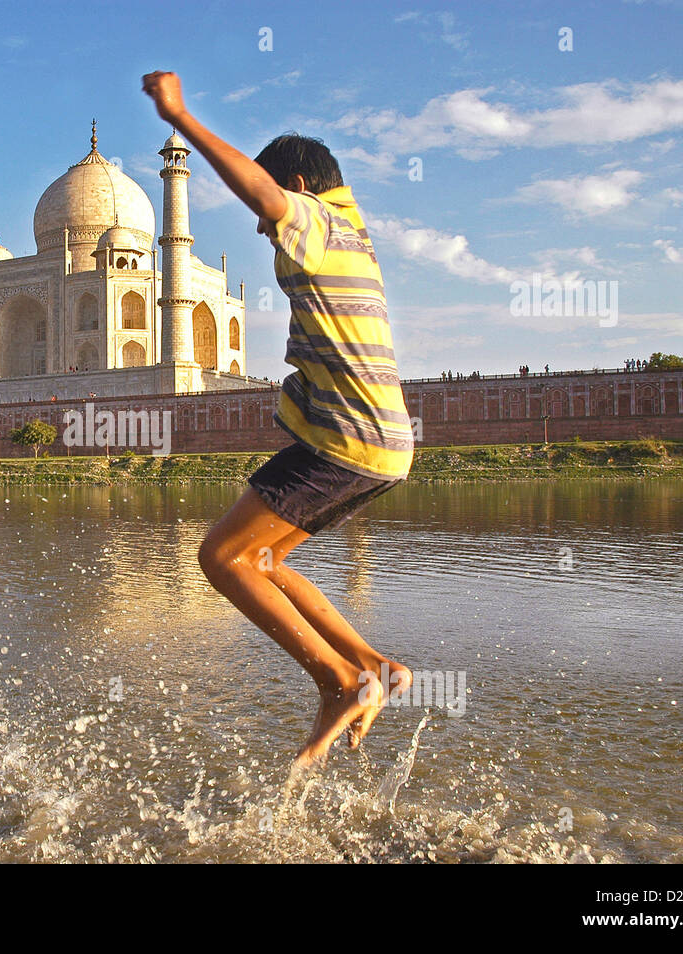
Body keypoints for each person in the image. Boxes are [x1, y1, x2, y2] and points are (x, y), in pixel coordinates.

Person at [142, 71, 414, 768]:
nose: (263, 225)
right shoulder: (352, 231)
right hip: (375, 444)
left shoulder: (317, 222)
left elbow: (267, 198)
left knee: (218, 557)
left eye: (268, 208)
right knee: (261, 559)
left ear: (294, 185)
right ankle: (371, 668)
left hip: (346, 438)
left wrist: (180, 114)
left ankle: (338, 680)